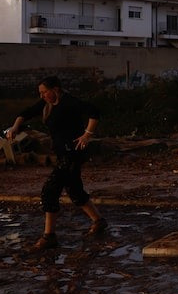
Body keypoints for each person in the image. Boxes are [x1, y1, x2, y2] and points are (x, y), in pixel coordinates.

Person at [6, 75, 107, 252]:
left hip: (72, 153)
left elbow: (94, 112)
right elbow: (26, 112)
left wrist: (87, 134)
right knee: (74, 190)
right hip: (63, 154)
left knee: (49, 190)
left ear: (56, 90)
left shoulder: (69, 102)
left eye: (44, 92)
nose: (42, 96)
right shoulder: (47, 104)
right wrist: (15, 127)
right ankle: (98, 221)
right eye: (40, 93)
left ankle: (49, 236)